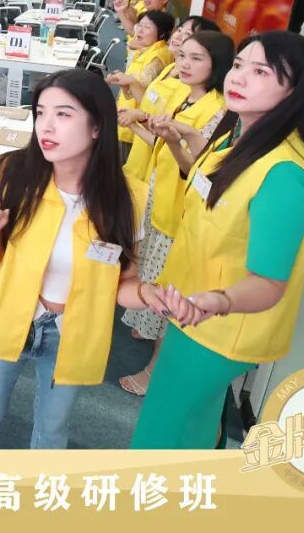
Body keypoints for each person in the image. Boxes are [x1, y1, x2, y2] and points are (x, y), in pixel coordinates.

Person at [132, 32, 304, 449]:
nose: (239, 77)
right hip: (193, 309)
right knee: (194, 425)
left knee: (161, 431)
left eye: (261, 72)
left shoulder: (283, 174)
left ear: (295, 90)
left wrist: (216, 301)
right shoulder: (237, 137)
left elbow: (269, 283)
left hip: (217, 328)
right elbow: (206, 185)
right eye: (238, 65)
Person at [0, 69, 149, 448]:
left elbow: (124, 281)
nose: (46, 126)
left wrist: (150, 296)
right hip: (9, 315)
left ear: (97, 127)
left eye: (63, 114)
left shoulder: (128, 198)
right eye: (41, 113)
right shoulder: (12, 173)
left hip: (71, 330)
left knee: (52, 429)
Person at [117, 30, 234, 396]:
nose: (184, 64)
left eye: (196, 58)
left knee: (171, 294)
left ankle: (155, 373)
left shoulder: (218, 110)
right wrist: (139, 125)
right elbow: (164, 147)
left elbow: (197, 169)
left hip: (180, 216)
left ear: (217, 65)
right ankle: (150, 339)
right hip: (162, 203)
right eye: (183, 56)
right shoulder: (187, 97)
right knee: (154, 282)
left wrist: (170, 138)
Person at [119, 16, 221, 181]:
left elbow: (170, 144)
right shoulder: (171, 68)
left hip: (157, 171)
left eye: (187, 34)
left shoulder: (190, 89)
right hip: (144, 157)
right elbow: (154, 113)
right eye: (179, 30)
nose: (178, 36)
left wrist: (140, 118)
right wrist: (138, 117)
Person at [108, 11, 176, 156]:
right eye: (140, 25)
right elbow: (131, 93)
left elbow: (147, 101)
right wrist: (125, 82)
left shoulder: (157, 58)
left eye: (147, 27)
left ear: (162, 33)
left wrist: (130, 81)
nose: (140, 30)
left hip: (136, 127)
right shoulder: (145, 50)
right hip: (126, 118)